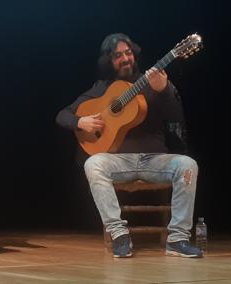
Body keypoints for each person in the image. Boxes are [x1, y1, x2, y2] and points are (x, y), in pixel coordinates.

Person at [55, 33, 203, 258]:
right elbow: (62, 115)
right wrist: (80, 121)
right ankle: (119, 235)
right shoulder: (102, 88)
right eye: (118, 56)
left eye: (128, 53)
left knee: (188, 165)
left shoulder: (154, 80)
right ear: (110, 61)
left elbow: (176, 117)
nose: (125, 59)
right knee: (93, 163)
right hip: (119, 161)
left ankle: (178, 239)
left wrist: (164, 90)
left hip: (155, 159)